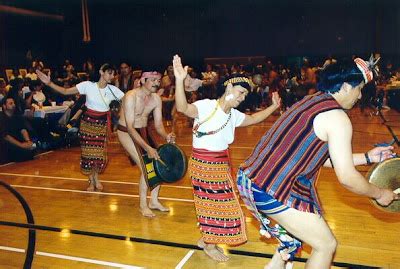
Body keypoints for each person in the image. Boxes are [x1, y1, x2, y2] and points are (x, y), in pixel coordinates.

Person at [237, 56, 399, 269]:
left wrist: (368, 157)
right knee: (325, 245)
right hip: (270, 188)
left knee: (294, 238)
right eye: (358, 89)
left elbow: (315, 158)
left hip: (252, 180)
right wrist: (380, 193)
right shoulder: (337, 117)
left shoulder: (311, 101)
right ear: (344, 86)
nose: (359, 96)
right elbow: (348, 178)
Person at [173, 55, 281, 262]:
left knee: (220, 205)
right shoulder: (206, 106)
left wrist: (273, 108)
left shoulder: (233, 115)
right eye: (240, 93)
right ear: (228, 87)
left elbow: (253, 119)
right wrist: (179, 80)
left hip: (221, 165)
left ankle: (207, 240)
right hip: (203, 166)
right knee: (215, 206)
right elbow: (183, 108)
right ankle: (208, 243)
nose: (242, 98)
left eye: (244, 95)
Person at [36, 64, 124, 191]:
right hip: (88, 123)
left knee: (99, 154)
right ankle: (91, 180)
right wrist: (49, 83)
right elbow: (66, 91)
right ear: (101, 72)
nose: (111, 76)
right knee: (88, 154)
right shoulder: (87, 85)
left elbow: (127, 99)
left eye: (113, 73)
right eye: (109, 73)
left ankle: (96, 178)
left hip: (102, 124)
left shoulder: (113, 90)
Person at [117, 71, 175, 218]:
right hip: (126, 132)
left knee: (158, 165)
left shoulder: (156, 99)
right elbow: (130, 127)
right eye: (153, 80)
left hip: (142, 130)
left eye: (158, 80)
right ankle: (143, 206)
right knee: (145, 167)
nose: (157, 83)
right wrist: (148, 148)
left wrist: (166, 135)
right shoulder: (130, 96)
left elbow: (158, 125)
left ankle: (154, 202)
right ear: (143, 80)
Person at [0, 96, 35, 162]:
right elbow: (6, 136)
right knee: (22, 153)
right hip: (7, 143)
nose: (14, 105)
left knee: (32, 148)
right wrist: (21, 145)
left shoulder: (17, 116)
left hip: (17, 140)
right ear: (4, 106)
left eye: (14, 103)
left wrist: (28, 141)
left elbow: (23, 129)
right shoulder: (1, 118)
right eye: (11, 103)